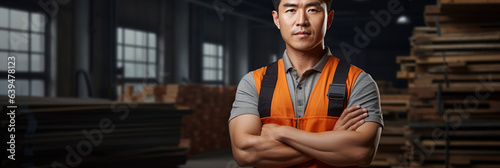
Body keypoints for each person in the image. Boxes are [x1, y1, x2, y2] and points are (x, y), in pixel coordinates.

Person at [228, 0, 384, 167]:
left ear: (328, 19)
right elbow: (245, 153)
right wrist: (332, 140)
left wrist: (283, 133)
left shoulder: (358, 81)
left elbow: (361, 152)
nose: (301, 20)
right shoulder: (254, 82)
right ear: (277, 19)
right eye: (291, 10)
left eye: (312, 10)